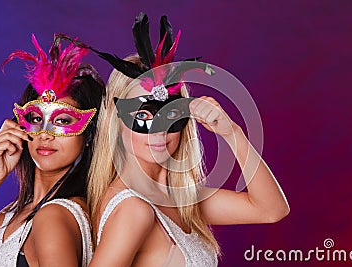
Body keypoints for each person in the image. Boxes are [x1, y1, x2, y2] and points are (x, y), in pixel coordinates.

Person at [88, 12, 289, 266]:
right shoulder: (133, 209)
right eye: (143, 116)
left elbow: (272, 210)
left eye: (171, 113)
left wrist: (232, 132)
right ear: (116, 121)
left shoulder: (181, 198)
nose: (159, 131)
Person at [0, 33, 105, 266]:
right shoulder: (14, 212)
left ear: (89, 135)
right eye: (35, 118)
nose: (45, 133)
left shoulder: (55, 216)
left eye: (62, 121)